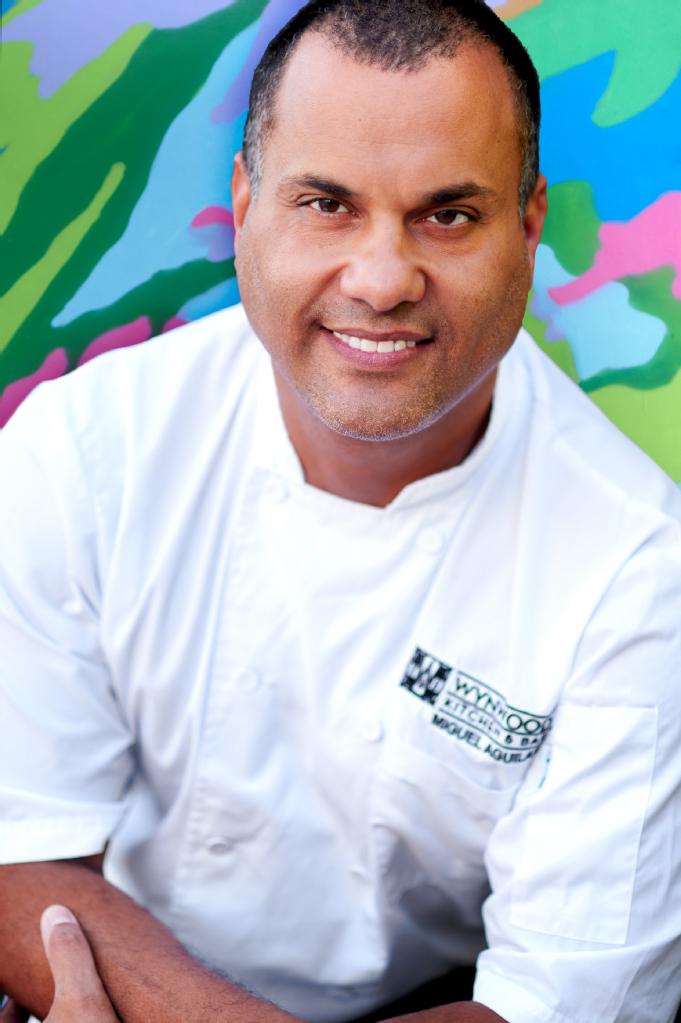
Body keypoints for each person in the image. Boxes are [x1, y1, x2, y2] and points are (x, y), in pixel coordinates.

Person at [0, 1, 680, 1021]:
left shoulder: (638, 566)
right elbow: (19, 850)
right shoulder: (84, 448)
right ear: (245, 200)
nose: (382, 279)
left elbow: (561, 999)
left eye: (448, 215)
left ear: (530, 221)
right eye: (326, 204)